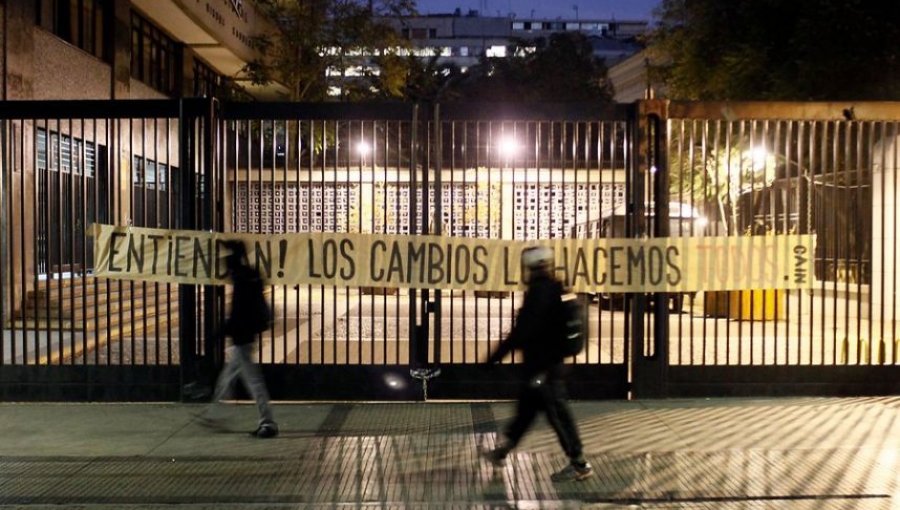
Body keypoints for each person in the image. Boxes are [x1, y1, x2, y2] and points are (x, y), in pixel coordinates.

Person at [483, 246, 593, 482]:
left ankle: (579, 463)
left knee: (557, 414)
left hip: (543, 367)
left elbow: (521, 331)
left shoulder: (539, 292)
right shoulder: (556, 287)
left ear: (530, 267)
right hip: (547, 365)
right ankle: (502, 452)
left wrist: (494, 357)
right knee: (527, 411)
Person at [196, 240, 278, 438]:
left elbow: (238, 313)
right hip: (246, 335)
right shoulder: (249, 275)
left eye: (227, 255)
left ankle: (268, 422)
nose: (223, 260)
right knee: (228, 376)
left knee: (253, 381)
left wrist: (219, 333)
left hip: (243, 337)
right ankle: (213, 414)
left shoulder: (242, 279)